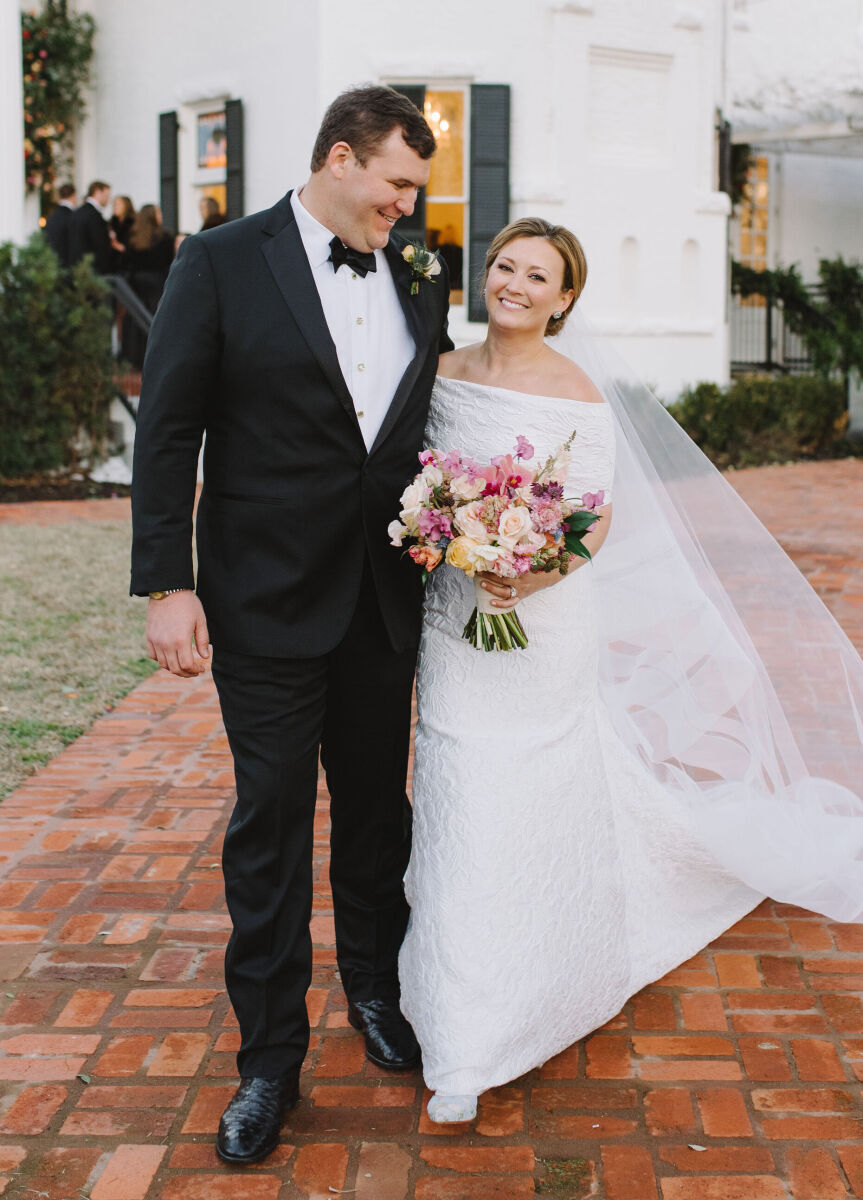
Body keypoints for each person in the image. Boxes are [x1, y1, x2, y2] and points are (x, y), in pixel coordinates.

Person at [398, 216, 863, 1124]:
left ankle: (492, 1025)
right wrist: (463, 549)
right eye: (505, 266)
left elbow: (593, 518)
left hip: (542, 610)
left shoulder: (577, 392)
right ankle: (455, 989)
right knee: (456, 776)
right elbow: (421, 480)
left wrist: (526, 571)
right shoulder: (443, 371)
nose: (516, 285)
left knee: (520, 779)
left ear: (565, 298)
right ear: (483, 273)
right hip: (456, 611)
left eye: (538, 275)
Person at [130, 84, 452, 1165]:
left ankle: (374, 994)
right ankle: (268, 1060)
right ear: (338, 157)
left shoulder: (418, 271)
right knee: (268, 826)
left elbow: (421, 428)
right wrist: (165, 583)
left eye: (418, 187)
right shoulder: (219, 260)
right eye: (397, 183)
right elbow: (169, 431)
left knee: (375, 815)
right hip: (262, 599)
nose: (409, 206)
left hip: (381, 596)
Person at [120, 203, 174, 368]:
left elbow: (128, 262)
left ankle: (135, 357)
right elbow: (168, 261)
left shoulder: (135, 239)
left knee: (136, 319)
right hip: (156, 282)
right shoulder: (165, 238)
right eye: (158, 212)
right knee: (156, 318)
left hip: (137, 284)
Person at [69, 180, 114, 273]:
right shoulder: (94, 215)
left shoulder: (78, 212)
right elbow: (99, 245)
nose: (108, 199)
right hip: (93, 269)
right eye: (107, 195)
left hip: (78, 266)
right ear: (97, 192)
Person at [43, 182, 77, 267]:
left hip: (52, 264)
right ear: (73, 196)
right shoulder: (73, 217)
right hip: (69, 264)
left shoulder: (51, 217)